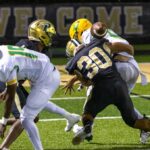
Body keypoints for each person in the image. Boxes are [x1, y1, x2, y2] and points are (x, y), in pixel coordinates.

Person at [64, 22, 150, 145]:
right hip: (128, 70)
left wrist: (76, 79)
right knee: (128, 112)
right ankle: (144, 125)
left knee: (90, 103)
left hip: (114, 73)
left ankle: (88, 127)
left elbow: (88, 79)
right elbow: (123, 48)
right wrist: (129, 51)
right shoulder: (100, 40)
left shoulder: (87, 39)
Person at [0, 19, 80, 150]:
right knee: (24, 118)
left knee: (31, 116)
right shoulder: (27, 47)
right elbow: (14, 71)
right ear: (40, 34)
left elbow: (19, 69)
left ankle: (69, 117)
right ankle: (4, 147)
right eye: (49, 34)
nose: (51, 38)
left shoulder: (39, 51)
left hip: (18, 79)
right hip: (10, 79)